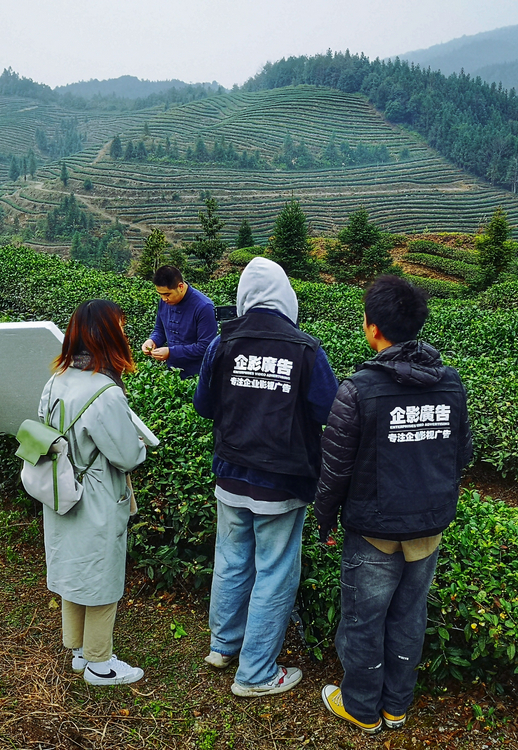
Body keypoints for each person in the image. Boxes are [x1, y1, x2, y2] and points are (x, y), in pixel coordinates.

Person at [314, 275, 472, 733]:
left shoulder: (359, 389)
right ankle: (396, 707)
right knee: (409, 617)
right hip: (428, 528)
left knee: (364, 621)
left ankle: (362, 708)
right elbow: (462, 454)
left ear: (373, 328)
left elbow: (335, 469)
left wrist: (324, 519)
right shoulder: (451, 384)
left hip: (374, 533)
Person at [193, 257, 339, 697]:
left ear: (244, 298)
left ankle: (223, 646)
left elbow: (203, 405)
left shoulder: (222, 344)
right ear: (286, 298)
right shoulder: (306, 349)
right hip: (283, 481)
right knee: (274, 572)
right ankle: (256, 673)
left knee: (232, 561)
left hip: (231, 475)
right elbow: (331, 412)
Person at [39, 299, 149, 685]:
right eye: (120, 326)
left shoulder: (58, 378)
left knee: (72, 564)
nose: (125, 332)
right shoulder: (105, 392)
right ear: (106, 335)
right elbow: (127, 456)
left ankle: (79, 649)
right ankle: (100, 664)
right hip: (97, 493)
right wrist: (137, 441)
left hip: (61, 486)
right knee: (101, 574)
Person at [141, 265, 216, 378]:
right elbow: (160, 329)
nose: (164, 299)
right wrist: (153, 340)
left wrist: (171, 352)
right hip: (172, 373)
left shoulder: (204, 307)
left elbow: (205, 346)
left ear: (180, 286)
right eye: (160, 294)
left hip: (198, 375)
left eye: (167, 294)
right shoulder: (164, 301)